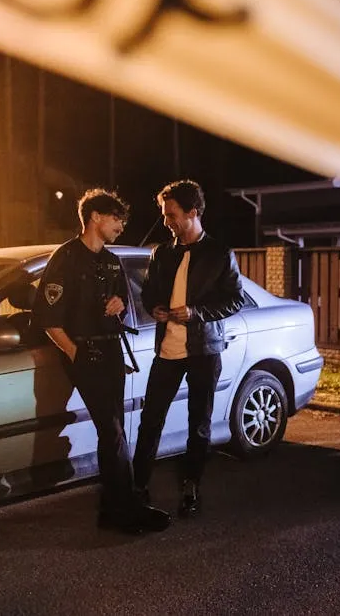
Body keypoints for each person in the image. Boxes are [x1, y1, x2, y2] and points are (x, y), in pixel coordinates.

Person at [35, 188, 170, 534]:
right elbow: (49, 318)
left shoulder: (111, 260)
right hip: (85, 352)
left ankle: (114, 509)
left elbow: (123, 298)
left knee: (115, 431)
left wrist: (118, 304)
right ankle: (126, 510)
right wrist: (76, 353)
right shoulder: (65, 258)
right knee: (111, 430)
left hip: (112, 350)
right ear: (95, 217)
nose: (121, 226)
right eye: (116, 219)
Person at [133, 180, 245, 517]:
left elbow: (236, 299)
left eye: (172, 215)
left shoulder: (219, 254)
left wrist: (197, 313)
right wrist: (153, 307)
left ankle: (191, 486)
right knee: (150, 419)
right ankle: (138, 486)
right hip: (167, 349)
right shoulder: (162, 253)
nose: (167, 221)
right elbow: (148, 292)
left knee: (200, 423)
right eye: (165, 215)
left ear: (193, 213)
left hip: (203, 350)